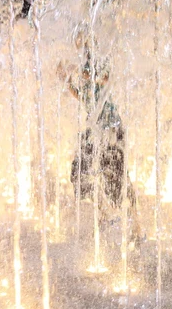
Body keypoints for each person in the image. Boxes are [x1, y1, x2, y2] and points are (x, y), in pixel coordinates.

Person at [57, 58, 142, 242]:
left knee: (120, 177)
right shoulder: (83, 69)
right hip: (94, 130)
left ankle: (136, 225)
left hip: (112, 130)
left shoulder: (99, 58)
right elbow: (82, 96)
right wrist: (67, 80)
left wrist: (81, 71)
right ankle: (104, 213)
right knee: (81, 171)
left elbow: (108, 78)